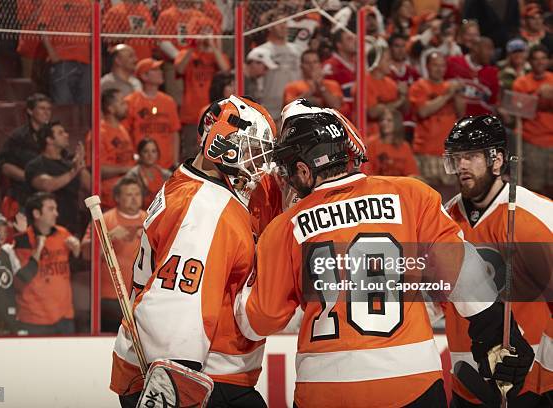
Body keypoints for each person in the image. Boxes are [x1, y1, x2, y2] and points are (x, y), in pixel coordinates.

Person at [235, 99, 535, 408]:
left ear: (303, 168)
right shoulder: (411, 194)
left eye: (289, 170)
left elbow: (258, 321)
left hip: (324, 388)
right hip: (411, 380)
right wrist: (495, 328)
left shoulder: (285, 226)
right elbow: (462, 270)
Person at [110, 95, 276, 408]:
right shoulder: (206, 207)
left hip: (182, 368)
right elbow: (177, 307)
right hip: (189, 375)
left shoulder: (189, 182)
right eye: (253, 149)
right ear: (222, 144)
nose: (259, 162)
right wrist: (175, 383)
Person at [441, 115, 552, 407]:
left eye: (472, 155)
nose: (462, 165)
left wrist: (548, 371)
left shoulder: (540, 215)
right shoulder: (442, 221)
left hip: (531, 385)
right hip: (466, 385)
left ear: (498, 160)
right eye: (457, 157)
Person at [81, 178, 146, 333]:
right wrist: (108, 237)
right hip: (110, 297)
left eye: (137, 194)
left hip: (142, 295)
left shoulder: (150, 219)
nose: (134, 198)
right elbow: (86, 255)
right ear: (117, 198)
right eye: (129, 194)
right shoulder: (103, 220)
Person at [13, 192, 81, 335]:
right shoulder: (24, 239)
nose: (56, 214)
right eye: (51, 209)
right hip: (34, 318)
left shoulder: (63, 234)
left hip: (64, 316)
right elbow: (23, 277)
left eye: (56, 209)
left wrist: (76, 252)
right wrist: (37, 247)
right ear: (37, 213)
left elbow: (74, 269)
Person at [175, 16, 230, 161]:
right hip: (191, 113)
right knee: (191, 153)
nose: (206, 35)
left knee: (212, 153)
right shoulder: (186, 53)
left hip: (214, 112)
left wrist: (213, 46)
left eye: (209, 31)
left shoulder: (217, 55)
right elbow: (180, 69)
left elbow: (225, 70)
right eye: (202, 32)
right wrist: (193, 46)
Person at [409, 51, 465, 186]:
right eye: (435, 65)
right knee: (426, 194)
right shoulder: (419, 86)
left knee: (449, 196)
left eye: (442, 66)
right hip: (426, 152)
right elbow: (423, 111)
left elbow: (461, 112)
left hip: (448, 152)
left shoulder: (449, 87)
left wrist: (457, 93)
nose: (439, 69)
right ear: (427, 66)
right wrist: (446, 96)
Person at [25, 121, 91, 235]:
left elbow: (90, 187)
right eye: (61, 133)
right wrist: (74, 171)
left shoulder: (70, 165)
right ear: (49, 140)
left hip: (73, 226)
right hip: (46, 229)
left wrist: (81, 165)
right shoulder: (36, 165)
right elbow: (47, 185)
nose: (67, 135)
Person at [0, 93, 53, 218]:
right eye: (42, 108)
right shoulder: (18, 137)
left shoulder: (55, 136)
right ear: (30, 111)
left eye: (49, 109)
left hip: (51, 192)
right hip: (24, 192)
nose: (46, 112)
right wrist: (30, 178)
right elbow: (5, 166)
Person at [123, 58, 181, 170]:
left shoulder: (168, 101)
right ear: (144, 76)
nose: (160, 72)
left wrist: (175, 161)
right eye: (155, 70)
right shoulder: (131, 101)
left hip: (166, 165)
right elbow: (126, 133)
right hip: (141, 164)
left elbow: (174, 132)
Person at [512, 44, 553, 196]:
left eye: (543, 59)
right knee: (534, 188)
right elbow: (519, 112)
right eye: (536, 59)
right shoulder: (521, 83)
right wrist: (537, 94)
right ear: (530, 62)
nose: (540, 62)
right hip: (532, 141)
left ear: (548, 61)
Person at [85, 88, 134, 210]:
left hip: (130, 193)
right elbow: (96, 169)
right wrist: (126, 169)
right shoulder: (98, 133)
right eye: (121, 103)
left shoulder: (123, 129)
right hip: (110, 198)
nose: (126, 106)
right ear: (110, 109)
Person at [37, 0, 92, 104]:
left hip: (85, 60)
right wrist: (52, 54)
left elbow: (93, 29)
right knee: (63, 102)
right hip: (61, 59)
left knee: (87, 103)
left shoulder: (88, 2)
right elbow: (42, 28)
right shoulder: (51, 2)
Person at [250, 9, 301, 120]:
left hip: (295, 104)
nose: (283, 26)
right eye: (279, 23)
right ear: (270, 26)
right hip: (270, 107)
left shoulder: (297, 50)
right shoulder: (259, 52)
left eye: (285, 23)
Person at [445, 36, 499, 116]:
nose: (491, 53)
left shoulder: (493, 73)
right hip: (450, 118)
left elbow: (492, 103)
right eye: (488, 49)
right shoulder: (453, 62)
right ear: (475, 48)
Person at [366, 108, 419, 177]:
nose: (384, 123)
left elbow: (411, 173)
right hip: (378, 184)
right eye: (382, 120)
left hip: (399, 185)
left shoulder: (405, 146)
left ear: (397, 123)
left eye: (389, 120)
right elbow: (368, 172)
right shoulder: (371, 143)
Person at [124, 139, 172, 209]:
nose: (150, 155)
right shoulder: (133, 175)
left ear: (158, 154)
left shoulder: (166, 175)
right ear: (140, 154)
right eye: (145, 151)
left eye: (153, 151)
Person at [323, 29, 357, 119]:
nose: (354, 42)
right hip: (341, 119)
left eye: (354, 38)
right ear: (339, 45)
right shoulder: (330, 67)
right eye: (349, 39)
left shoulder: (359, 64)